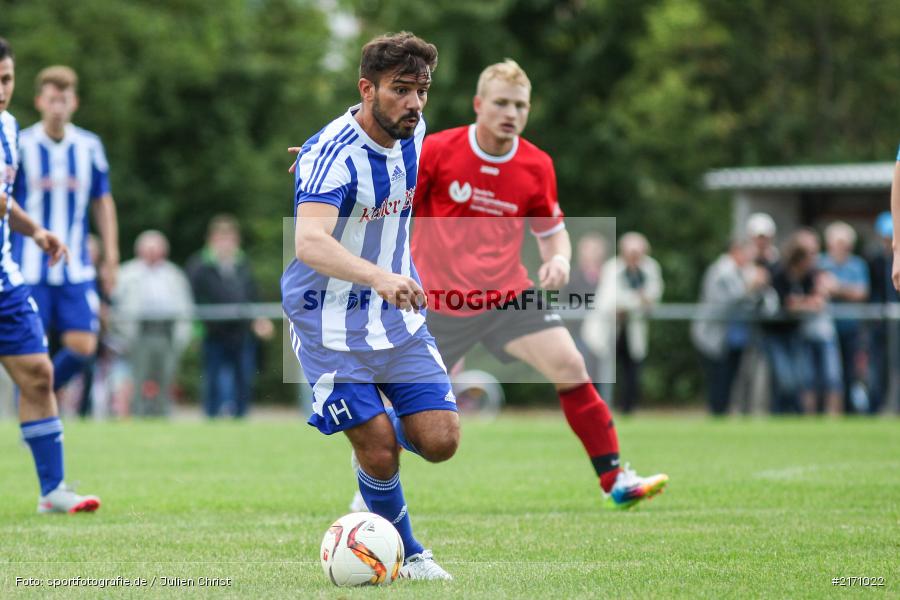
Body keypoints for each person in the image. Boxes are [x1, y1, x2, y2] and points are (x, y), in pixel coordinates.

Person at [406, 60, 666, 507]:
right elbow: (395, 206)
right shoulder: (437, 150)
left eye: (520, 105)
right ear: (478, 104)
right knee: (414, 410)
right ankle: (367, 494)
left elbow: (552, 231)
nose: (511, 112)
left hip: (509, 295)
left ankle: (615, 481)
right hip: (441, 302)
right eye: (501, 103)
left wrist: (560, 259)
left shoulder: (536, 164)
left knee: (570, 364)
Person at [282, 32, 456, 580]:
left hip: (395, 317)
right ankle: (411, 555)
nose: (414, 103)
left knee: (441, 441)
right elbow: (309, 242)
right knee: (379, 448)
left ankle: (370, 459)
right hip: (326, 319)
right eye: (401, 90)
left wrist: (312, 148)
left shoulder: (414, 129)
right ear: (368, 88)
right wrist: (380, 276)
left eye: (421, 91)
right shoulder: (334, 157)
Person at [0, 37, 100, 513]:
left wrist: (36, 230)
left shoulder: (6, 127)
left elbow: (4, 199)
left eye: (6, 79)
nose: (1, 90)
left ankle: (52, 492)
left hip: (7, 277)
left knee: (39, 375)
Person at [11, 65, 119, 396]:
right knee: (31, 352)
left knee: (84, 344)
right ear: (40, 101)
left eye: (65, 100)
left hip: (76, 265)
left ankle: (35, 395)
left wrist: (111, 255)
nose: (58, 107)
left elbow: (102, 201)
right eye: (52, 99)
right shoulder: (22, 144)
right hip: (29, 265)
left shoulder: (88, 146)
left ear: (75, 103)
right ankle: (36, 408)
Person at [186, 215, 272, 418]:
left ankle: (241, 417)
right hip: (213, 332)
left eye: (230, 239)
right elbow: (193, 298)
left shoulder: (242, 264)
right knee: (212, 378)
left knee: (244, 376)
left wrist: (259, 319)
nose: (225, 244)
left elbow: (252, 295)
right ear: (211, 240)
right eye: (221, 238)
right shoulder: (199, 265)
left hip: (241, 332)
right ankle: (211, 416)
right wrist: (196, 330)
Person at [114, 230, 193, 416]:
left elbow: (186, 305)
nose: (152, 252)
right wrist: (123, 335)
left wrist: (183, 334)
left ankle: (164, 414)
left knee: (166, 377)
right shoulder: (126, 273)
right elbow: (117, 306)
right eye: (148, 248)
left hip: (166, 331)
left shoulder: (174, 274)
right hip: (140, 331)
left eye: (155, 248)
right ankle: (138, 416)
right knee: (139, 377)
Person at [586, 232, 664, 415]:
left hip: (633, 328)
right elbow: (610, 300)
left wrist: (632, 302)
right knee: (601, 370)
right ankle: (598, 409)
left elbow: (653, 296)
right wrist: (637, 299)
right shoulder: (612, 268)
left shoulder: (650, 268)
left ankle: (627, 409)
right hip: (609, 328)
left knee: (632, 370)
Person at [691, 239, 768, 415]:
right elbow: (724, 303)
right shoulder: (720, 272)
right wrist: (749, 287)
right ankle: (716, 416)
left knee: (731, 381)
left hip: (736, 339)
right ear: (735, 251)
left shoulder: (744, 272)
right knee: (718, 382)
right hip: (713, 339)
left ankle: (725, 415)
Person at [819, 221, 869, 412]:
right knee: (829, 374)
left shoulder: (857, 265)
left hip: (851, 328)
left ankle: (848, 410)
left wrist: (838, 288)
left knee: (850, 372)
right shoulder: (820, 262)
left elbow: (861, 293)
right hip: (825, 329)